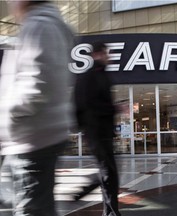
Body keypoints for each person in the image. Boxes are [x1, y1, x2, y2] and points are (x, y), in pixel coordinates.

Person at [0, 1, 74, 215]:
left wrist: (7, 112)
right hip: (34, 138)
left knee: (31, 209)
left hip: (32, 140)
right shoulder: (46, 23)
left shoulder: (39, 25)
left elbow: (37, 85)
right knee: (36, 206)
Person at [74, 41, 121, 216]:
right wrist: (114, 108)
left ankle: (92, 195)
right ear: (95, 55)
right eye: (104, 53)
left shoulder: (104, 76)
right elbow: (86, 103)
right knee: (109, 172)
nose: (107, 56)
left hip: (104, 131)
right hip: (95, 131)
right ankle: (110, 213)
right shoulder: (88, 76)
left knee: (110, 172)